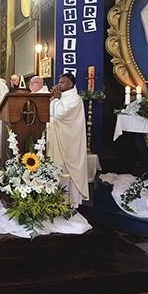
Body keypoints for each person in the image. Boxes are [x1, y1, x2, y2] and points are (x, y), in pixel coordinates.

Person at [46, 73, 88, 207]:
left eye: (62, 82)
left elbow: (60, 114)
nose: (59, 84)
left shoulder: (75, 99)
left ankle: (69, 202)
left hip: (68, 143)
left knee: (64, 170)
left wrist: (56, 99)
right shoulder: (61, 97)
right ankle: (53, 199)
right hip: (56, 138)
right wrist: (54, 99)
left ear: (70, 84)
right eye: (59, 82)